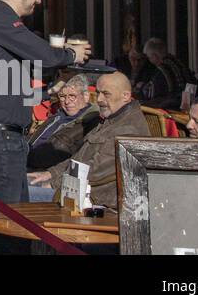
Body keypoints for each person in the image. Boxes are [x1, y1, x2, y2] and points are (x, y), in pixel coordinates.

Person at [0, 0, 86, 204]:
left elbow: (12, 83)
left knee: (14, 217)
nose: (39, 0)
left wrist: (50, 91)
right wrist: (72, 54)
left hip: (6, 137)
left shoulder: (0, 20)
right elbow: (44, 54)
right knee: (8, 220)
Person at [48, 70, 149, 208]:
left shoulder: (128, 129)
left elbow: (95, 172)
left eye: (106, 94)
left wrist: (53, 182)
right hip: (77, 191)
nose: (99, 99)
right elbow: (79, 158)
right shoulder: (113, 119)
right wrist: (50, 173)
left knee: (19, 194)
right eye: (98, 92)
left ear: (126, 96)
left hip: (92, 201)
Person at [25, 75, 100, 201]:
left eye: (72, 96)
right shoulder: (58, 116)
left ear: (86, 96)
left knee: (3, 189)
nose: (67, 101)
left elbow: (55, 155)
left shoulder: (89, 122)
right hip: (30, 164)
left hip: (50, 174)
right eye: (62, 96)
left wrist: (22, 156)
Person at [135, 37, 193, 109]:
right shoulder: (176, 61)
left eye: (149, 57)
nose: (149, 60)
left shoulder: (164, 69)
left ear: (154, 56)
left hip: (174, 108)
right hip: (186, 104)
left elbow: (152, 92)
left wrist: (141, 86)